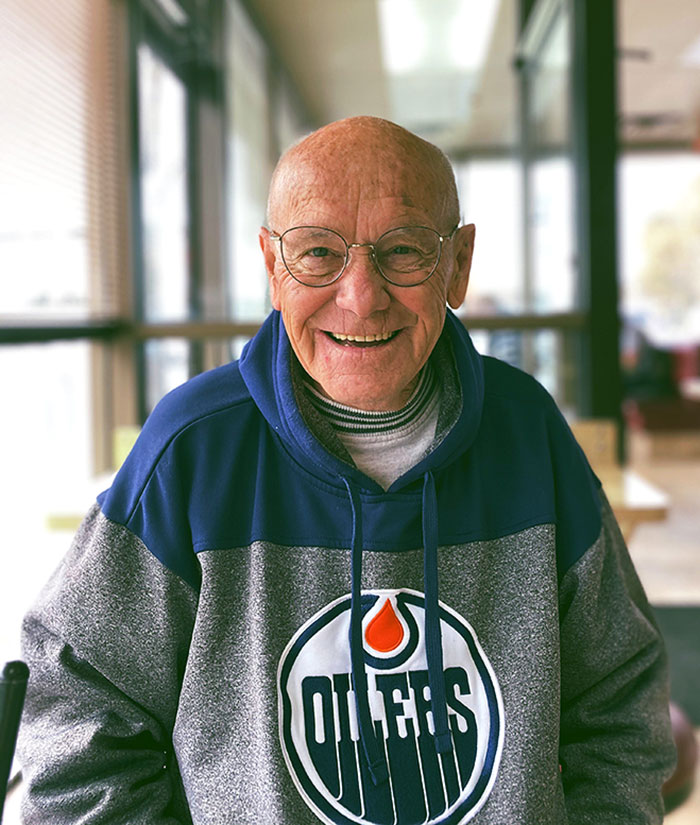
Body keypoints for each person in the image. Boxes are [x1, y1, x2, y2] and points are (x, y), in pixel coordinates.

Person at [19, 117, 675, 825]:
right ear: (273, 267)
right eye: (317, 253)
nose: (361, 296)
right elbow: (74, 720)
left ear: (458, 264)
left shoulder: (528, 433)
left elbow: (620, 703)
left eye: (403, 250)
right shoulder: (193, 450)